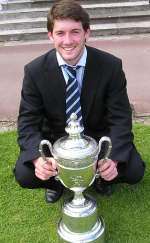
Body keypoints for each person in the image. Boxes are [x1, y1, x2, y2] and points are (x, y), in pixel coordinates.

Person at [14, 0, 145, 203]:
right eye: (60, 33)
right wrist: (37, 159)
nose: (68, 41)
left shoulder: (110, 66)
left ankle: (102, 179)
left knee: (134, 170)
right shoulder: (34, 71)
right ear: (50, 36)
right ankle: (55, 183)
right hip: (56, 145)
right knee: (25, 174)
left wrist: (114, 159)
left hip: (98, 142)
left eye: (75, 31)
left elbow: (120, 117)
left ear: (87, 33)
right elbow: (27, 122)